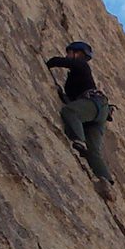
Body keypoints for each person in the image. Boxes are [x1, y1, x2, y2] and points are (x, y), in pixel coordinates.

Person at [46, 41, 114, 191]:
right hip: (98, 112)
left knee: (70, 112)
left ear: (78, 54)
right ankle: (106, 181)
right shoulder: (74, 79)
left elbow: (63, 62)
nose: (67, 55)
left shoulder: (82, 66)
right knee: (93, 151)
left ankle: (78, 139)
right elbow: (72, 98)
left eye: (70, 52)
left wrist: (49, 63)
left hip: (94, 104)